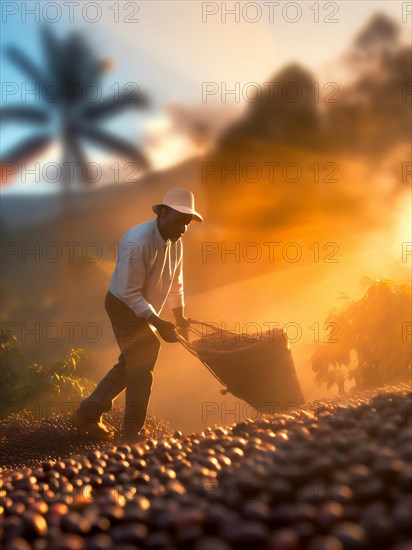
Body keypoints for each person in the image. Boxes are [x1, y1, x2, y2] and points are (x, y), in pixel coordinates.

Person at [74, 188, 203, 443]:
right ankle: (133, 432)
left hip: (142, 308)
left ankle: (88, 412)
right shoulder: (137, 241)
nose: (184, 229)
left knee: (131, 362)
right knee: (145, 352)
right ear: (163, 213)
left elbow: (177, 281)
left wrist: (179, 318)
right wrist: (159, 324)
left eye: (187, 224)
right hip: (122, 304)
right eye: (180, 221)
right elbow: (131, 294)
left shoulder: (176, 241)